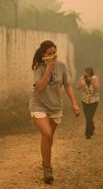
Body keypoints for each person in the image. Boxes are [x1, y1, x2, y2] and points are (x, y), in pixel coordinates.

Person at [29, 40, 81, 184]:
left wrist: (74, 103)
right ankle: (48, 168)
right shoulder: (38, 67)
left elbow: (67, 84)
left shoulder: (62, 66)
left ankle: (45, 163)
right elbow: (40, 87)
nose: (52, 56)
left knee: (48, 139)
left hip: (55, 106)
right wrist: (48, 69)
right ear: (43, 54)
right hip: (38, 104)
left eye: (54, 53)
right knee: (47, 134)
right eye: (49, 53)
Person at [77, 67, 100, 139]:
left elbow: (97, 89)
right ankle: (92, 127)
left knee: (90, 116)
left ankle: (88, 133)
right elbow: (78, 87)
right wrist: (81, 85)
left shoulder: (95, 78)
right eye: (85, 74)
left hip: (94, 100)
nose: (85, 76)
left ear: (90, 74)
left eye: (87, 75)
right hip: (85, 100)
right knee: (87, 116)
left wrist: (92, 82)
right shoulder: (82, 78)